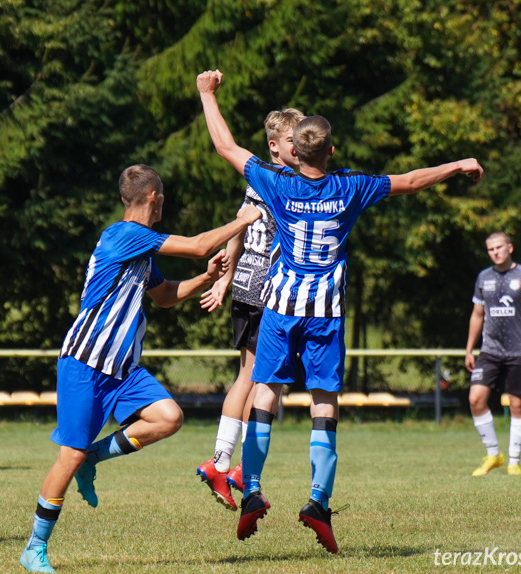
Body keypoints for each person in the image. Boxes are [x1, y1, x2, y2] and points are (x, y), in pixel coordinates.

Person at [196, 69, 483, 553]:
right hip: (325, 315)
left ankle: (253, 489)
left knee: (263, 394)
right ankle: (317, 502)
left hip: (280, 308)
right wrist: (457, 165)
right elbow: (411, 181)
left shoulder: (274, 183)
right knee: (324, 405)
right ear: (330, 151)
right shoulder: (350, 188)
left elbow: (226, 146)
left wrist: (207, 95)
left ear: (293, 150)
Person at [18, 164, 262, 572]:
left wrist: (205, 278)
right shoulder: (124, 235)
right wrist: (244, 218)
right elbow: (201, 244)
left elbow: (164, 296)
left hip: (122, 368)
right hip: (85, 364)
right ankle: (34, 548)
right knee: (68, 455)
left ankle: (93, 459)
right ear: (155, 198)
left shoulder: (141, 249)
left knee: (168, 418)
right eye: (163, 197)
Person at [195, 108, 305, 511]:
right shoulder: (288, 181)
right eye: (295, 141)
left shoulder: (259, 179)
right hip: (270, 291)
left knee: (248, 376)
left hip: (246, 284)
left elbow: (240, 223)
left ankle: (223, 460)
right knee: (265, 383)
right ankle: (232, 465)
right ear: (275, 147)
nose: (302, 146)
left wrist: (226, 276)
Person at [465, 231, 521, 476]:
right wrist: (469, 348)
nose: (495, 252)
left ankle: (514, 460)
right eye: (490, 249)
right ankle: (493, 454)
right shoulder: (484, 277)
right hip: (489, 351)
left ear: (510, 247)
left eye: (499, 247)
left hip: (518, 351)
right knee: (475, 399)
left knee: (517, 403)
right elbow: (478, 314)